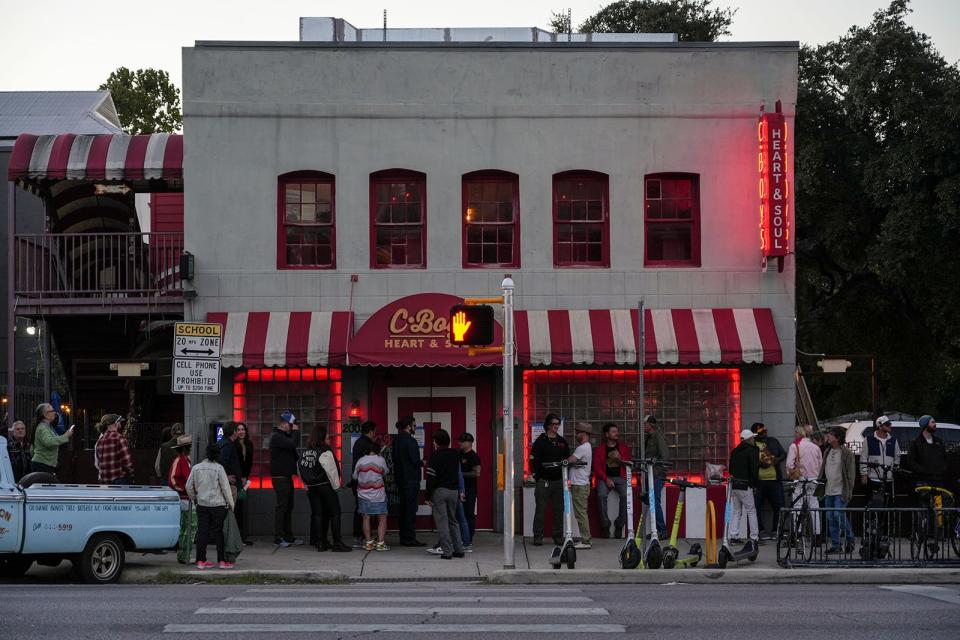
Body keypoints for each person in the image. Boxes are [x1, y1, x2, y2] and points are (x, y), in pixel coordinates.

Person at [185, 443, 236, 569]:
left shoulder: (196, 468)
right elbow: (225, 488)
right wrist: (231, 504)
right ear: (217, 455)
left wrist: (195, 498)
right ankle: (222, 561)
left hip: (202, 504)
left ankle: (201, 561)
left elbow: (188, 486)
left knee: (203, 532)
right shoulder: (219, 468)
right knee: (218, 532)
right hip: (218, 505)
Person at [301, 426, 351, 552]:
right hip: (325, 486)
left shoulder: (307, 452)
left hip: (312, 488)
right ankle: (337, 543)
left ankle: (320, 543)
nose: (329, 441)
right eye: (327, 438)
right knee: (335, 513)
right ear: (322, 438)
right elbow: (333, 471)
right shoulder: (326, 451)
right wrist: (336, 486)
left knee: (318, 514)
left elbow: (300, 468)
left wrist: (305, 483)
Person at [529, 413, 571, 546]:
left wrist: (566, 478)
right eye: (553, 424)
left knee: (559, 510)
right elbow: (533, 460)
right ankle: (537, 536)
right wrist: (537, 476)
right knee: (540, 509)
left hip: (559, 481)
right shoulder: (540, 442)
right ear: (547, 425)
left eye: (558, 424)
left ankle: (558, 537)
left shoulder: (562, 442)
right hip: (543, 481)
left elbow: (567, 460)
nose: (556, 427)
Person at [425, 429, 465, 559]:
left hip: (440, 491)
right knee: (453, 520)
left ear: (436, 442)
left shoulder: (435, 456)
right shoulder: (455, 454)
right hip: (454, 491)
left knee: (442, 522)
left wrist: (428, 495)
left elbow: (431, 477)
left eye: (434, 441)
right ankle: (459, 549)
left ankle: (447, 552)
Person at [819, 427, 856, 554]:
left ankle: (850, 538)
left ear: (838, 438)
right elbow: (823, 470)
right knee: (830, 517)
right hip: (829, 490)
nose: (828, 436)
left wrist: (849, 490)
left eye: (830, 434)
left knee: (838, 514)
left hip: (841, 490)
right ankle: (836, 545)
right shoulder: (827, 451)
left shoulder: (846, 453)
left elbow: (851, 474)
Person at [593, 422, 631, 539]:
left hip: (620, 478)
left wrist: (619, 458)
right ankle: (605, 525)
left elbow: (629, 464)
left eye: (617, 431)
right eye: (613, 432)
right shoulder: (600, 450)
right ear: (607, 434)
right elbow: (597, 468)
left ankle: (619, 525)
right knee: (601, 495)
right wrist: (606, 479)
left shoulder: (623, 448)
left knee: (626, 495)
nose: (616, 434)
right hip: (605, 477)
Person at [270, 410, 302, 547]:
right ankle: (278, 537)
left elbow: (294, 453)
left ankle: (288, 536)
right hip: (280, 478)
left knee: (289, 507)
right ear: (283, 424)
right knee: (282, 507)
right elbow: (292, 444)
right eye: (291, 425)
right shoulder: (277, 436)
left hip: (286, 477)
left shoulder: (284, 436)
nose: (293, 427)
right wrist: (296, 432)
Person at [391, 415, 425, 547]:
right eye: (414, 426)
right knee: (410, 511)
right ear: (408, 426)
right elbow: (415, 461)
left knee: (403, 510)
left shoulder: (396, 440)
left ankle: (403, 537)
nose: (415, 428)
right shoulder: (411, 441)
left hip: (400, 480)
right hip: (410, 480)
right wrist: (423, 462)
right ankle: (410, 538)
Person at [786, 424, 823, 536]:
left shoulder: (794, 446)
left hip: (800, 480)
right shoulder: (816, 447)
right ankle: (817, 534)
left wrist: (791, 473)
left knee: (797, 506)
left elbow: (789, 464)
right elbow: (820, 463)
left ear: (798, 433)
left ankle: (797, 533)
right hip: (813, 480)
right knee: (814, 506)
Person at [751, 422, 787, 540]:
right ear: (755, 434)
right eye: (761, 433)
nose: (764, 434)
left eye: (765, 431)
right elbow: (748, 461)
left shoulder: (773, 441)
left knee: (779, 506)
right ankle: (760, 531)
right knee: (756, 508)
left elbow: (783, 454)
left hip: (774, 480)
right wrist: (759, 464)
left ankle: (776, 531)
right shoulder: (752, 445)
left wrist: (776, 460)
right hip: (758, 482)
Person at [353, 440, 389, 551]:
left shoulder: (361, 460)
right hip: (378, 494)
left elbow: (354, 476)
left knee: (366, 517)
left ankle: (368, 542)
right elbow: (385, 472)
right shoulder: (380, 460)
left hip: (363, 494)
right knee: (382, 517)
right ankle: (381, 543)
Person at [728, 429, 760, 544]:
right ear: (749, 439)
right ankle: (754, 537)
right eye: (752, 438)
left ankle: (734, 536)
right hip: (746, 485)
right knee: (751, 511)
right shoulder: (752, 451)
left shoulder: (735, 451)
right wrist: (754, 484)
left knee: (737, 511)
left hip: (734, 484)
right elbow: (754, 469)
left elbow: (730, 469)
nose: (754, 440)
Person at [168, 435, 196, 564]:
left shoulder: (183, 460)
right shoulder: (181, 461)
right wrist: (184, 490)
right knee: (190, 526)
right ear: (187, 448)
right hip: (184, 498)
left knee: (187, 526)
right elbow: (173, 480)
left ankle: (184, 554)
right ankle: (184, 554)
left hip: (186, 497)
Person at [860, 416, 900, 506]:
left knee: (887, 505)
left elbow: (897, 456)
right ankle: (872, 520)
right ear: (880, 426)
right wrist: (864, 474)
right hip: (872, 478)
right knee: (871, 504)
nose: (890, 426)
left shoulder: (893, 440)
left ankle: (884, 520)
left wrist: (894, 470)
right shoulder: (869, 439)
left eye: (890, 423)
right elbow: (863, 457)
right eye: (887, 424)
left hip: (888, 479)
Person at [569, 422, 596, 549]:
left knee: (580, 513)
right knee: (581, 513)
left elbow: (571, 460)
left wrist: (563, 461)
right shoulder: (587, 447)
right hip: (580, 484)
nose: (576, 435)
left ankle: (586, 541)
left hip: (580, 485)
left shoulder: (583, 447)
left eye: (578, 433)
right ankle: (585, 539)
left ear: (584, 434)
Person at [642, 415, 670, 537]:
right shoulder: (649, 438)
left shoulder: (658, 437)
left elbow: (664, 456)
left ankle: (662, 531)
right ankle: (656, 531)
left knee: (654, 500)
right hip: (650, 473)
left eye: (645, 424)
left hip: (656, 474)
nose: (643, 426)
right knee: (651, 501)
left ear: (650, 425)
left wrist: (659, 472)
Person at [351, 421, 377, 547]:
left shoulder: (357, 442)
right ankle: (362, 536)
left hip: (357, 481)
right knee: (365, 511)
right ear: (371, 431)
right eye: (374, 431)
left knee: (360, 509)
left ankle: (359, 536)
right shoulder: (367, 444)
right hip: (365, 483)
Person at [31, 403, 74, 476]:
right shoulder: (42, 428)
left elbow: (53, 439)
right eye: (52, 411)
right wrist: (65, 436)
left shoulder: (49, 427)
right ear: (45, 415)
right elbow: (49, 442)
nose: (55, 413)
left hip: (46, 464)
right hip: (42, 464)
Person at [905, 415, 948, 488]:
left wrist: (942, 469)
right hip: (923, 481)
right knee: (925, 499)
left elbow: (945, 458)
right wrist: (923, 471)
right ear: (925, 425)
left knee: (938, 499)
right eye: (932, 422)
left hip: (938, 480)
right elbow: (910, 461)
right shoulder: (916, 442)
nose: (935, 424)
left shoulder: (939, 441)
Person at [95, 414, 135, 484]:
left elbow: (98, 463)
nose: (120, 424)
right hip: (119, 481)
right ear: (115, 423)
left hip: (104, 482)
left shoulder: (100, 441)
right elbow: (127, 463)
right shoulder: (119, 438)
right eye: (119, 422)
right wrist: (132, 476)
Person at [458, 432, 481, 541]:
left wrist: (460, 474)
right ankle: (461, 536)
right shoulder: (459, 454)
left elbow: (476, 473)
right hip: (459, 489)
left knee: (468, 514)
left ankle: (469, 537)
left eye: (462, 441)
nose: (460, 443)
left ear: (469, 443)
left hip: (470, 490)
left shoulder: (473, 456)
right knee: (459, 514)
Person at [235, 422, 254, 545]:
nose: (241, 432)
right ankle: (237, 537)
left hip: (244, 481)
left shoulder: (249, 444)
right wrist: (239, 476)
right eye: (238, 429)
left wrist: (245, 477)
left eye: (243, 429)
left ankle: (241, 536)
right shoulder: (233, 444)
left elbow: (249, 463)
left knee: (241, 507)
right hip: (235, 479)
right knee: (235, 508)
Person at [218, 421, 243, 502]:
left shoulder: (223, 443)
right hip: (230, 484)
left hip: (231, 482)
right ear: (233, 432)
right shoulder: (227, 445)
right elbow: (221, 462)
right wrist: (225, 477)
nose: (239, 432)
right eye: (237, 430)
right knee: (233, 508)